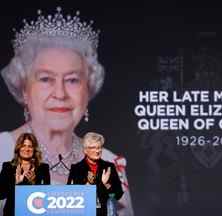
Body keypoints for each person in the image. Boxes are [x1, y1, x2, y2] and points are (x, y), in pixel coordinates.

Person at [0, 7, 133, 216]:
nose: (60, 93)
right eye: (46, 79)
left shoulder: (108, 163)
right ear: (24, 90)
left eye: (72, 80)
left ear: (87, 91)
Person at [67, 132, 123, 216]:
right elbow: (69, 196)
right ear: (85, 150)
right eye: (93, 147)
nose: (97, 151)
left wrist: (106, 184)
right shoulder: (76, 168)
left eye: (99, 147)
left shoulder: (109, 167)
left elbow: (118, 194)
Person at [0, 133, 50, 216]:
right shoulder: (8, 167)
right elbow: (1, 195)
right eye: (23, 145)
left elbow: (47, 196)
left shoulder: (43, 168)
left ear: (34, 149)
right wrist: (16, 183)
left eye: (30, 146)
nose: (26, 149)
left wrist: (33, 183)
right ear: (18, 148)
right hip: (12, 212)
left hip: (34, 213)